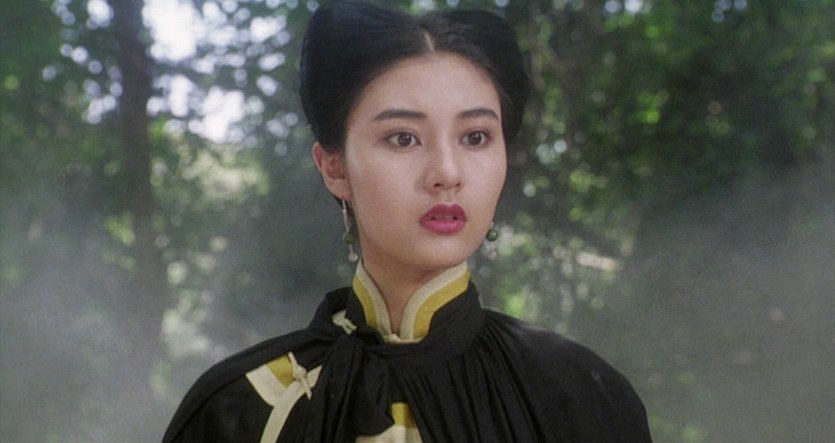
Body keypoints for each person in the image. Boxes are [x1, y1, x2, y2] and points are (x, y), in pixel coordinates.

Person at [162, 1, 651, 442]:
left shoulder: (581, 399)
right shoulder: (240, 410)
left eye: (476, 137)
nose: (447, 173)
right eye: (403, 138)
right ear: (334, 167)